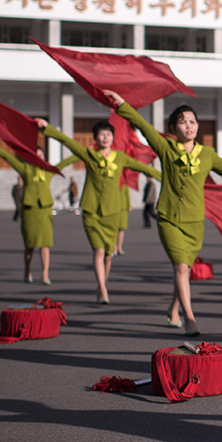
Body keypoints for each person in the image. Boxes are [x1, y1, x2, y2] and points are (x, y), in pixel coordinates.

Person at [105, 94, 222, 334]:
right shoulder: (165, 147)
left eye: (193, 121)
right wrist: (122, 103)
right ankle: (189, 317)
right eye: (183, 122)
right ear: (173, 128)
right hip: (169, 219)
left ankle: (173, 309)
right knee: (181, 268)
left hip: (195, 222)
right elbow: (142, 125)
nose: (189, 126)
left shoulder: (208, 154)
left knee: (182, 270)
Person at [37, 118, 160, 304]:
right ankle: (102, 288)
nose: (105, 137)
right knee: (99, 251)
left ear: (112, 137)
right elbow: (67, 141)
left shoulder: (121, 157)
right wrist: (48, 129)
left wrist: (170, 178)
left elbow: (145, 169)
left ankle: (102, 283)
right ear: (96, 138)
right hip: (91, 210)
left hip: (113, 212)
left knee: (109, 255)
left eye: (108, 134)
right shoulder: (89, 154)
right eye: (101, 134)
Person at [0, 138, 60, 284]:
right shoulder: (25, 169)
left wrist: (86, 153)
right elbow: (8, 158)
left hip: (44, 210)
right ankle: (28, 269)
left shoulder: (49, 170)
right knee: (30, 245)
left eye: (41, 155)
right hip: (30, 211)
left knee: (46, 244)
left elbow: (67, 161)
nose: (38, 157)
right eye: (35, 154)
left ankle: (45, 274)